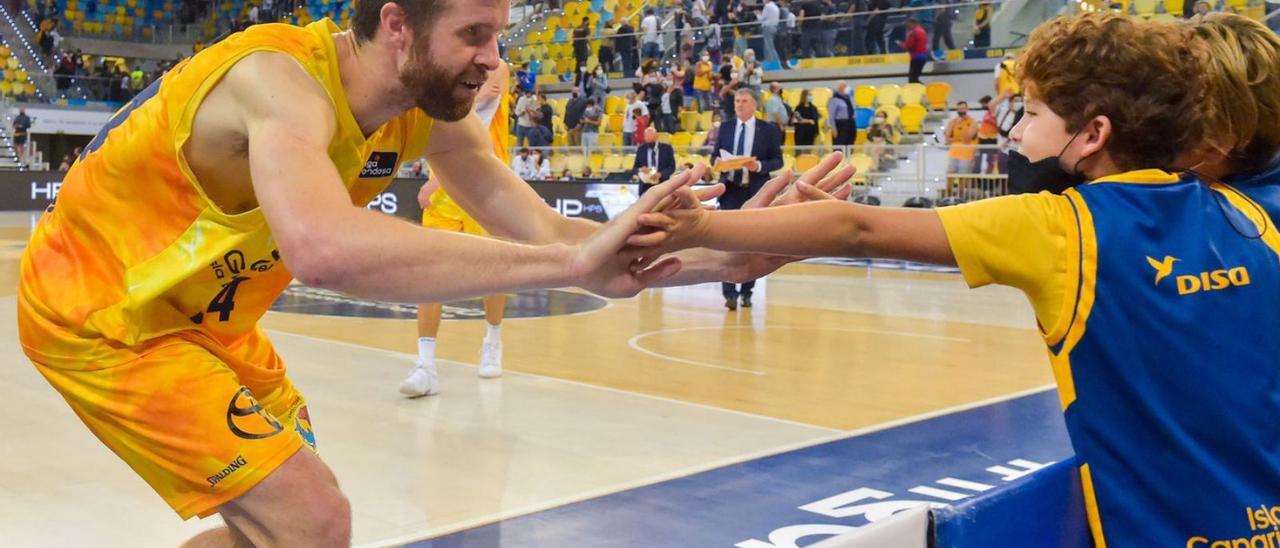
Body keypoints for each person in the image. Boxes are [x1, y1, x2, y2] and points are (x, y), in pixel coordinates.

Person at [17, 3, 706, 544]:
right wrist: (566, 266)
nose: (494, 60)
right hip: (99, 315)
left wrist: (731, 256)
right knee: (315, 520)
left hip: (209, 325)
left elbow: (556, 231)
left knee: (282, 532)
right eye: (473, 34)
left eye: (498, 35)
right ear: (398, 25)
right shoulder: (277, 79)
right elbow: (323, 248)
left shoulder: (421, 114)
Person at [630, 14, 1280, 547]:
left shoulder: (1059, 225)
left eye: (1029, 114)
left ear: (1092, 135)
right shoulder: (1251, 216)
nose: (1016, 133)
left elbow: (858, 230)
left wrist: (703, 230)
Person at [402, 62, 512, 397]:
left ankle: (493, 340)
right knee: (429, 276)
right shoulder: (442, 70)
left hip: (488, 184)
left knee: (493, 272)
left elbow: (474, 126)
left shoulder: (497, 69)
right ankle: (425, 365)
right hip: (445, 188)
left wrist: (434, 181)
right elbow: (438, 118)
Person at [710, 87, 783, 309]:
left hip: (755, 190)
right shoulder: (726, 127)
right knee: (728, 242)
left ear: (754, 105)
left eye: (744, 101)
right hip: (731, 189)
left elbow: (777, 161)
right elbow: (714, 155)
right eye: (736, 101)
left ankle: (748, 291)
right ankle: (729, 292)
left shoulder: (768, 129)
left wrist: (757, 165)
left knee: (751, 242)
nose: (739, 104)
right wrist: (718, 163)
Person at [633, 127, 676, 195]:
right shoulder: (641, 149)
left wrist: (660, 174)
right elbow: (635, 168)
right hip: (645, 187)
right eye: (647, 138)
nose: (649, 141)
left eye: (651, 138)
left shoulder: (667, 148)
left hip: (663, 184)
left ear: (656, 137)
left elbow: (672, 167)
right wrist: (640, 169)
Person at [898, 18, 929, 83]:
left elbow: (909, 45)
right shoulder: (922, 31)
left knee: (912, 79)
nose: (908, 27)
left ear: (913, 23)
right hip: (923, 56)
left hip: (916, 57)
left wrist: (900, 44)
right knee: (914, 77)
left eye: (908, 25)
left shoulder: (914, 32)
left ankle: (924, 91)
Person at [828, 81, 855, 146]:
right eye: (844, 86)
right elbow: (831, 115)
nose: (846, 88)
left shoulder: (849, 98)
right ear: (840, 88)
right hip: (840, 125)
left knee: (850, 143)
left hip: (850, 123)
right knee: (840, 145)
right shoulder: (834, 100)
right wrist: (834, 129)